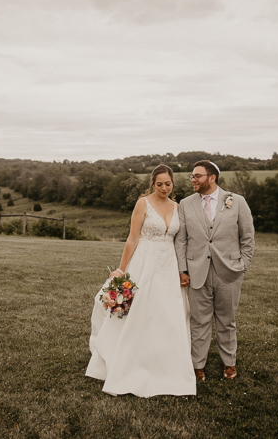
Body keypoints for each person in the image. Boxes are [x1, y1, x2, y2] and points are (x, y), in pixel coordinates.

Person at [85, 164, 195, 397]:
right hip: (144, 263)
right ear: (152, 183)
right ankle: (128, 363)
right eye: (159, 184)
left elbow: (179, 242)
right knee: (139, 312)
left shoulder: (177, 207)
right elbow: (133, 238)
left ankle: (166, 364)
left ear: (173, 183)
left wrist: (182, 270)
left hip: (167, 266)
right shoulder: (142, 203)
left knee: (167, 313)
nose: (164, 188)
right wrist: (121, 269)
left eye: (168, 184)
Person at [175, 160, 255, 382]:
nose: (193, 179)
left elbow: (248, 238)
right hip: (196, 271)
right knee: (198, 321)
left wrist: (242, 266)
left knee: (226, 320)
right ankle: (197, 366)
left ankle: (229, 363)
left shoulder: (237, 202)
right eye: (192, 175)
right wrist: (182, 269)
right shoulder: (186, 203)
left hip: (229, 272)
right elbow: (181, 241)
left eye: (197, 176)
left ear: (212, 178)